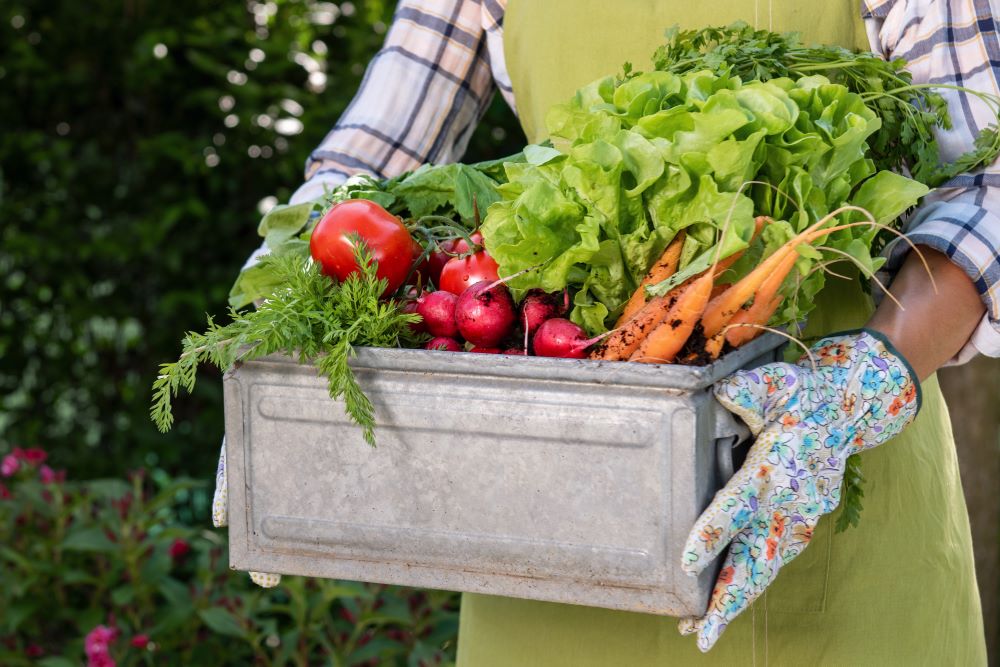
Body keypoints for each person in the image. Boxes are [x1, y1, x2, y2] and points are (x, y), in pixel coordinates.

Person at [229, 0, 997, 663]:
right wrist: (275, 349)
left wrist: (860, 386)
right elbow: (370, 166)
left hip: (819, 520)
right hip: (542, 547)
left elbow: (989, 178)